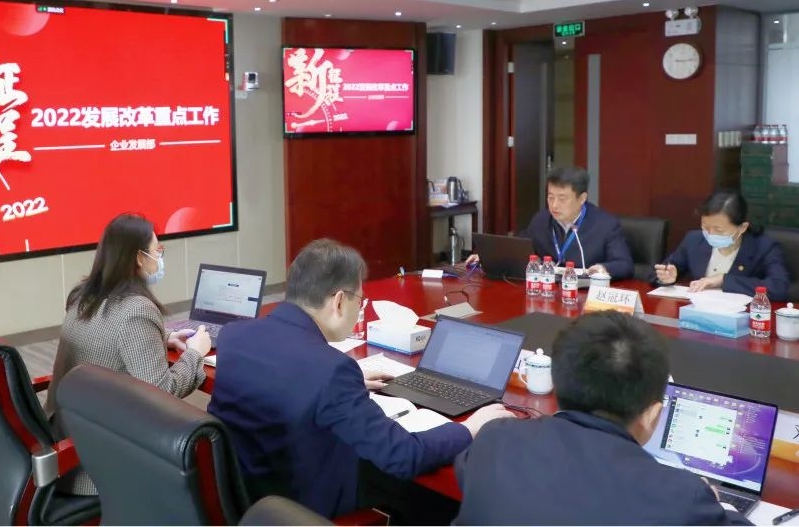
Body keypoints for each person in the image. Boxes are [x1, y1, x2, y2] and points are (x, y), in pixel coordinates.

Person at [207, 238, 512, 520]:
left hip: (250, 501)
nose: (359, 309)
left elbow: (283, 377)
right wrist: (471, 427)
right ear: (339, 301)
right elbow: (403, 455)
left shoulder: (235, 336)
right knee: (428, 498)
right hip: (304, 510)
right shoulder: (331, 371)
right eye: (360, 301)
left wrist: (339, 388)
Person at [454, 311, 751, 525]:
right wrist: (718, 504)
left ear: (557, 382)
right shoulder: (681, 497)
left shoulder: (494, 439)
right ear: (652, 415)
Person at [44, 213, 212, 495]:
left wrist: (164, 339)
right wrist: (195, 353)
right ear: (138, 258)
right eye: (157, 250)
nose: (159, 258)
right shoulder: (136, 309)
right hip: (98, 461)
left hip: (67, 439)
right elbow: (163, 393)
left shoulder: (83, 296)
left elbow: (104, 336)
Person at [465, 166, 633, 279]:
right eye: (550, 197)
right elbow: (518, 247)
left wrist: (603, 269)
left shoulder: (605, 224)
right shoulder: (542, 219)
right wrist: (489, 257)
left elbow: (624, 264)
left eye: (562, 199)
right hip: (546, 292)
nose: (554, 205)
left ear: (582, 198)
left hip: (584, 297)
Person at [654, 189, 790, 300]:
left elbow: (779, 287)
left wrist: (723, 280)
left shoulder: (764, 248)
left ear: (742, 227)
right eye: (705, 226)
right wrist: (666, 278)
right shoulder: (694, 240)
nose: (710, 234)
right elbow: (660, 272)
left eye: (718, 230)